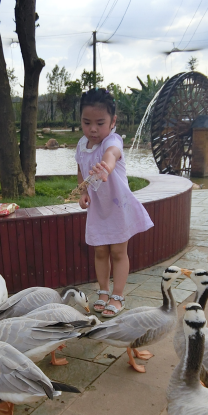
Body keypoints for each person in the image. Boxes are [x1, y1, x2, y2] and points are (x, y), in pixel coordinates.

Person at [75, 88, 154, 317]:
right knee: (100, 251)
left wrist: (106, 167)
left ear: (113, 122)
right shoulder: (82, 145)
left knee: (118, 252)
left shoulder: (113, 140)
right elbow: (80, 169)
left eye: (100, 123)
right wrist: (83, 192)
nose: (93, 129)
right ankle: (103, 291)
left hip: (119, 207)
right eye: (86, 122)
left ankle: (118, 295)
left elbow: (111, 155)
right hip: (99, 208)